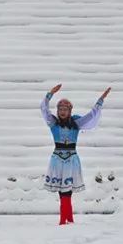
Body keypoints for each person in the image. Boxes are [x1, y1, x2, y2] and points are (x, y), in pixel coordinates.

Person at [41, 83, 111, 225]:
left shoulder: (76, 123)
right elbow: (43, 109)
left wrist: (101, 99)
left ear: (70, 111)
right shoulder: (53, 123)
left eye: (65, 109)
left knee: (68, 192)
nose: (62, 111)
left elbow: (91, 115)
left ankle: (68, 220)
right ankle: (65, 220)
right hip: (58, 160)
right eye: (60, 109)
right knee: (62, 192)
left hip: (71, 159)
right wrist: (50, 94)